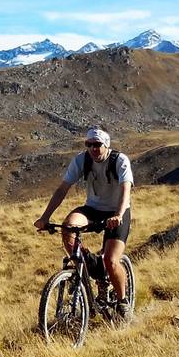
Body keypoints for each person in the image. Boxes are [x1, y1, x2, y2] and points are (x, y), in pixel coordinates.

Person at [33, 127, 134, 317]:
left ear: (106, 145)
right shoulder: (82, 160)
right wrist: (45, 217)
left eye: (97, 145)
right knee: (68, 228)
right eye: (89, 145)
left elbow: (125, 189)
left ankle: (122, 301)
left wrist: (119, 214)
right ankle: (96, 271)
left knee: (111, 261)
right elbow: (63, 189)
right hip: (93, 208)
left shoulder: (119, 161)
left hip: (117, 210)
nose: (93, 149)